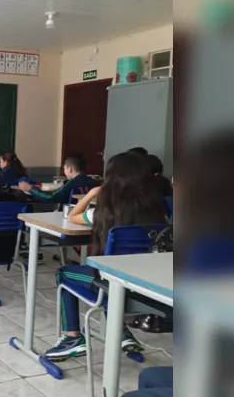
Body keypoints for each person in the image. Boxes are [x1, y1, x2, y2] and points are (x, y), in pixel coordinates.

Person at [44, 152, 168, 361]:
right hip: (143, 288)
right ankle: (121, 333)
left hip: (110, 286)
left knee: (63, 273)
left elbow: (73, 216)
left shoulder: (104, 212)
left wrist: (92, 193)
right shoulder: (158, 213)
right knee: (117, 277)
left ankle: (72, 337)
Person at [18, 155, 99, 204]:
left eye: (64, 168)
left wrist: (30, 188)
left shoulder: (71, 183)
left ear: (70, 169)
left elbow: (50, 197)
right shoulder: (93, 183)